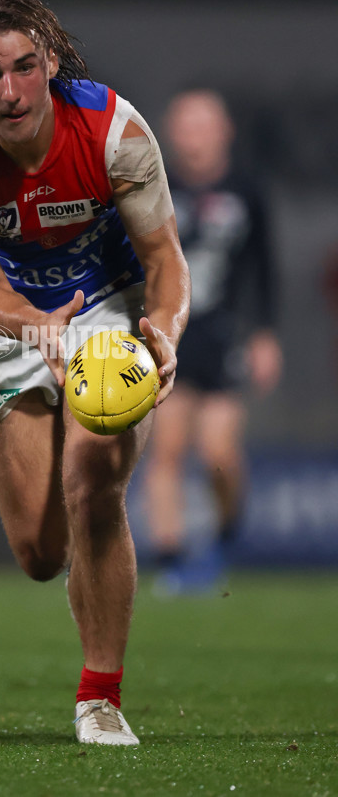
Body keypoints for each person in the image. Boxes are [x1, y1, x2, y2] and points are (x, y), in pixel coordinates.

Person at [0, 0, 190, 745]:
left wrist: (162, 330)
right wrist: (38, 330)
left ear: (52, 62)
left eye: (26, 67)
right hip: (11, 323)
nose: (11, 91)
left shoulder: (115, 133)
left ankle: (99, 698)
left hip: (109, 302)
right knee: (39, 553)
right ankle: (79, 570)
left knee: (92, 481)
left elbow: (166, 259)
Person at [143, 89, 283, 595]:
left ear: (225, 131)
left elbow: (264, 268)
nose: (195, 135)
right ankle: (171, 560)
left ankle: (224, 535)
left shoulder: (246, 190)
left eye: (205, 124)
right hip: (168, 334)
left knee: (218, 453)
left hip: (223, 334)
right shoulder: (154, 188)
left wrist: (265, 335)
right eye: (186, 125)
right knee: (167, 453)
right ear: (171, 132)